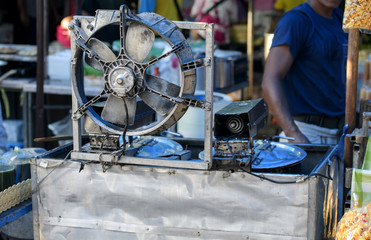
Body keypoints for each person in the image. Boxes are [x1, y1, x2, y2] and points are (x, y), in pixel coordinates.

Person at [261, 0, 348, 144]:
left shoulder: (342, 19)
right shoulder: (296, 20)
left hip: (340, 131)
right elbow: (270, 80)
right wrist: (292, 132)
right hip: (306, 132)